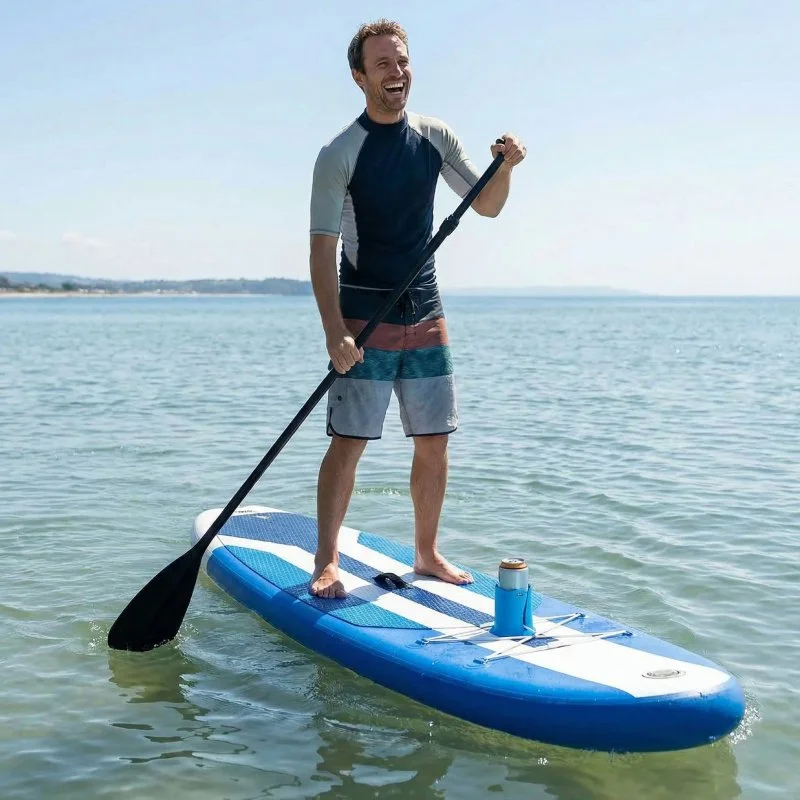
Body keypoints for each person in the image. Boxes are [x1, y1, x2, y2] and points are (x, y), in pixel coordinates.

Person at [308, 19, 526, 598]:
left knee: (434, 440)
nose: (396, 72)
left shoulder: (434, 137)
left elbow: (488, 206)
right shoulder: (339, 154)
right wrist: (334, 331)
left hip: (426, 312)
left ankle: (426, 553)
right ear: (359, 77)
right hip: (364, 317)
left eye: (401, 61)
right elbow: (322, 249)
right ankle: (326, 560)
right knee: (348, 442)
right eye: (382, 63)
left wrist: (505, 168)